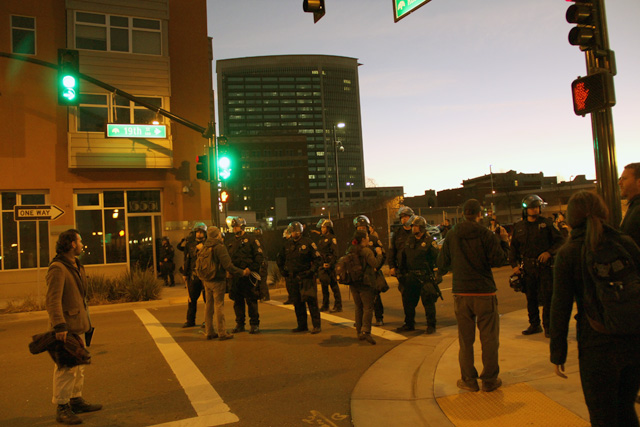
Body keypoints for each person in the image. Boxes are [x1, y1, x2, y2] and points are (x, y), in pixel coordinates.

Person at [550, 191, 640, 426]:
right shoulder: (625, 242)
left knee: (603, 415)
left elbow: (560, 305)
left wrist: (558, 353)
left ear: (571, 218)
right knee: (626, 408)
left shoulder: (568, 253)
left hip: (596, 344)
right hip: (633, 340)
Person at [438, 199, 508, 393]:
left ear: (462, 214)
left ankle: (469, 379)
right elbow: (500, 260)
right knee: (490, 339)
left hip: (461, 293)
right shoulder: (486, 234)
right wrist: (504, 241)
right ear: (479, 214)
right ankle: (490, 380)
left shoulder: (452, 235)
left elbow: (442, 262)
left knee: (465, 340)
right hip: (484, 292)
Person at [45, 229, 102, 425]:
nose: (82, 244)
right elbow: (52, 301)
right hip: (66, 326)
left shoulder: (76, 265)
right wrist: (59, 325)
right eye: (80, 241)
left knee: (78, 366)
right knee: (66, 368)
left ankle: (75, 399)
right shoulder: (58, 268)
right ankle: (62, 407)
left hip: (78, 324)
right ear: (71, 244)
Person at [509, 195, 564, 337]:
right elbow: (513, 248)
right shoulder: (519, 226)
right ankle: (534, 324)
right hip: (527, 268)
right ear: (526, 209)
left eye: (537, 207)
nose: (535, 210)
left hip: (544, 267)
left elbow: (560, 241)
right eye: (532, 207)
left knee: (547, 298)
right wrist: (514, 265)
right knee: (531, 298)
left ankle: (548, 327)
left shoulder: (547, 224)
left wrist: (549, 252)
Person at [199, 226, 250, 341]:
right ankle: (222, 332)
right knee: (219, 305)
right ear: (217, 235)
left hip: (207, 280)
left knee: (208, 306)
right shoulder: (219, 247)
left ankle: (209, 331)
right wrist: (242, 272)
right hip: (217, 280)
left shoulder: (205, 246)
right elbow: (228, 266)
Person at [399, 216, 441, 334]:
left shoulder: (429, 241)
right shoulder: (410, 240)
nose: (413, 228)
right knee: (408, 302)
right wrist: (401, 272)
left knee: (428, 302)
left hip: (425, 276)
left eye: (416, 226)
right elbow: (404, 256)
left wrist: (438, 273)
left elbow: (437, 258)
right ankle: (409, 324)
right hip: (411, 276)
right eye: (413, 226)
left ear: (421, 228)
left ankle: (431, 325)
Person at [280, 221, 322, 334]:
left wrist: (311, 272)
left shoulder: (308, 243)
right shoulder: (287, 244)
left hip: (306, 277)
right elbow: (281, 258)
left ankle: (316, 325)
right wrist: (283, 271)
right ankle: (302, 325)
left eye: (297, 231)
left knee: (312, 302)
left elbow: (318, 259)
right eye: (293, 231)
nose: (295, 233)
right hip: (292, 278)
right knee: (297, 303)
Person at [344, 230, 384, 345]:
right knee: (368, 307)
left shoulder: (350, 249)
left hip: (353, 282)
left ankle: (359, 332)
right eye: (367, 237)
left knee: (358, 307)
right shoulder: (366, 251)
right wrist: (379, 254)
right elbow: (375, 264)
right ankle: (366, 331)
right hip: (365, 283)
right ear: (363, 239)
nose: (369, 238)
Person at [226, 217, 264, 334]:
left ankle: (254, 324)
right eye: (233, 226)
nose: (234, 228)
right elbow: (228, 259)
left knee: (251, 301)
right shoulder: (231, 242)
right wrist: (229, 271)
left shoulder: (252, 240)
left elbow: (259, 257)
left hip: (248, 276)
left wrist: (250, 269)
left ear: (242, 227)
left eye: (236, 226)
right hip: (236, 277)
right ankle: (240, 324)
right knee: (237, 302)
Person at [354, 215, 387, 326]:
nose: (361, 230)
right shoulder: (354, 242)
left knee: (375, 297)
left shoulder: (373, 239)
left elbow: (383, 254)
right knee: (360, 302)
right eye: (359, 228)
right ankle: (361, 322)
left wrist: (376, 267)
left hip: (372, 274)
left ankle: (379, 318)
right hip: (360, 275)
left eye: (364, 227)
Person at [389, 206, 416, 331]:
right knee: (406, 298)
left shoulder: (417, 230)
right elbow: (392, 251)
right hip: (403, 271)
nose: (404, 220)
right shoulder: (398, 233)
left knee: (426, 297)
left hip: (417, 270)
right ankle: (409, 322)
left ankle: (431, 323)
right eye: (402, 217)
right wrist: (392, 266)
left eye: (406, 217)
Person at [181, 223, 208, 328]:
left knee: (207, 300)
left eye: (201, 232)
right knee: (192, 299)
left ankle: (207, 321)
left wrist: (203, 249)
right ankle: (190, 320)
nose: (199, 234)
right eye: (197, 232)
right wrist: (185, 274)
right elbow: (187, 259)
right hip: (193, 275)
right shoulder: (190, 244)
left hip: (205, 276)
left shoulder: (208, 244)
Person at [316, 219, 342, 312]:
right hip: (323, 265)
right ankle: (325, 305)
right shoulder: (321, 238)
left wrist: (331, 264)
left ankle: (338, 305)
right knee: (324, 286)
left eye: (324, 227)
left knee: (334, 285)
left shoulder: (332, 238)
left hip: (330, 266)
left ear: (328, 228)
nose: (322, 229)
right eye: (322, 227)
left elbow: (335, 253)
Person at [619, 162, 640, 246]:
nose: (619, 183)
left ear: (639, 182)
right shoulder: (634, 206)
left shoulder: (637, 210)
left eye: (624, 179)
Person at [253, 228, 271, 302]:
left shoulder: (260, 242)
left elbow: (263, 252)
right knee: (259, 279)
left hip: (262, 262)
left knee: (262, 280)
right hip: (260, 262)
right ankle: (261, 295)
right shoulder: (260, 241)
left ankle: (265, 295)